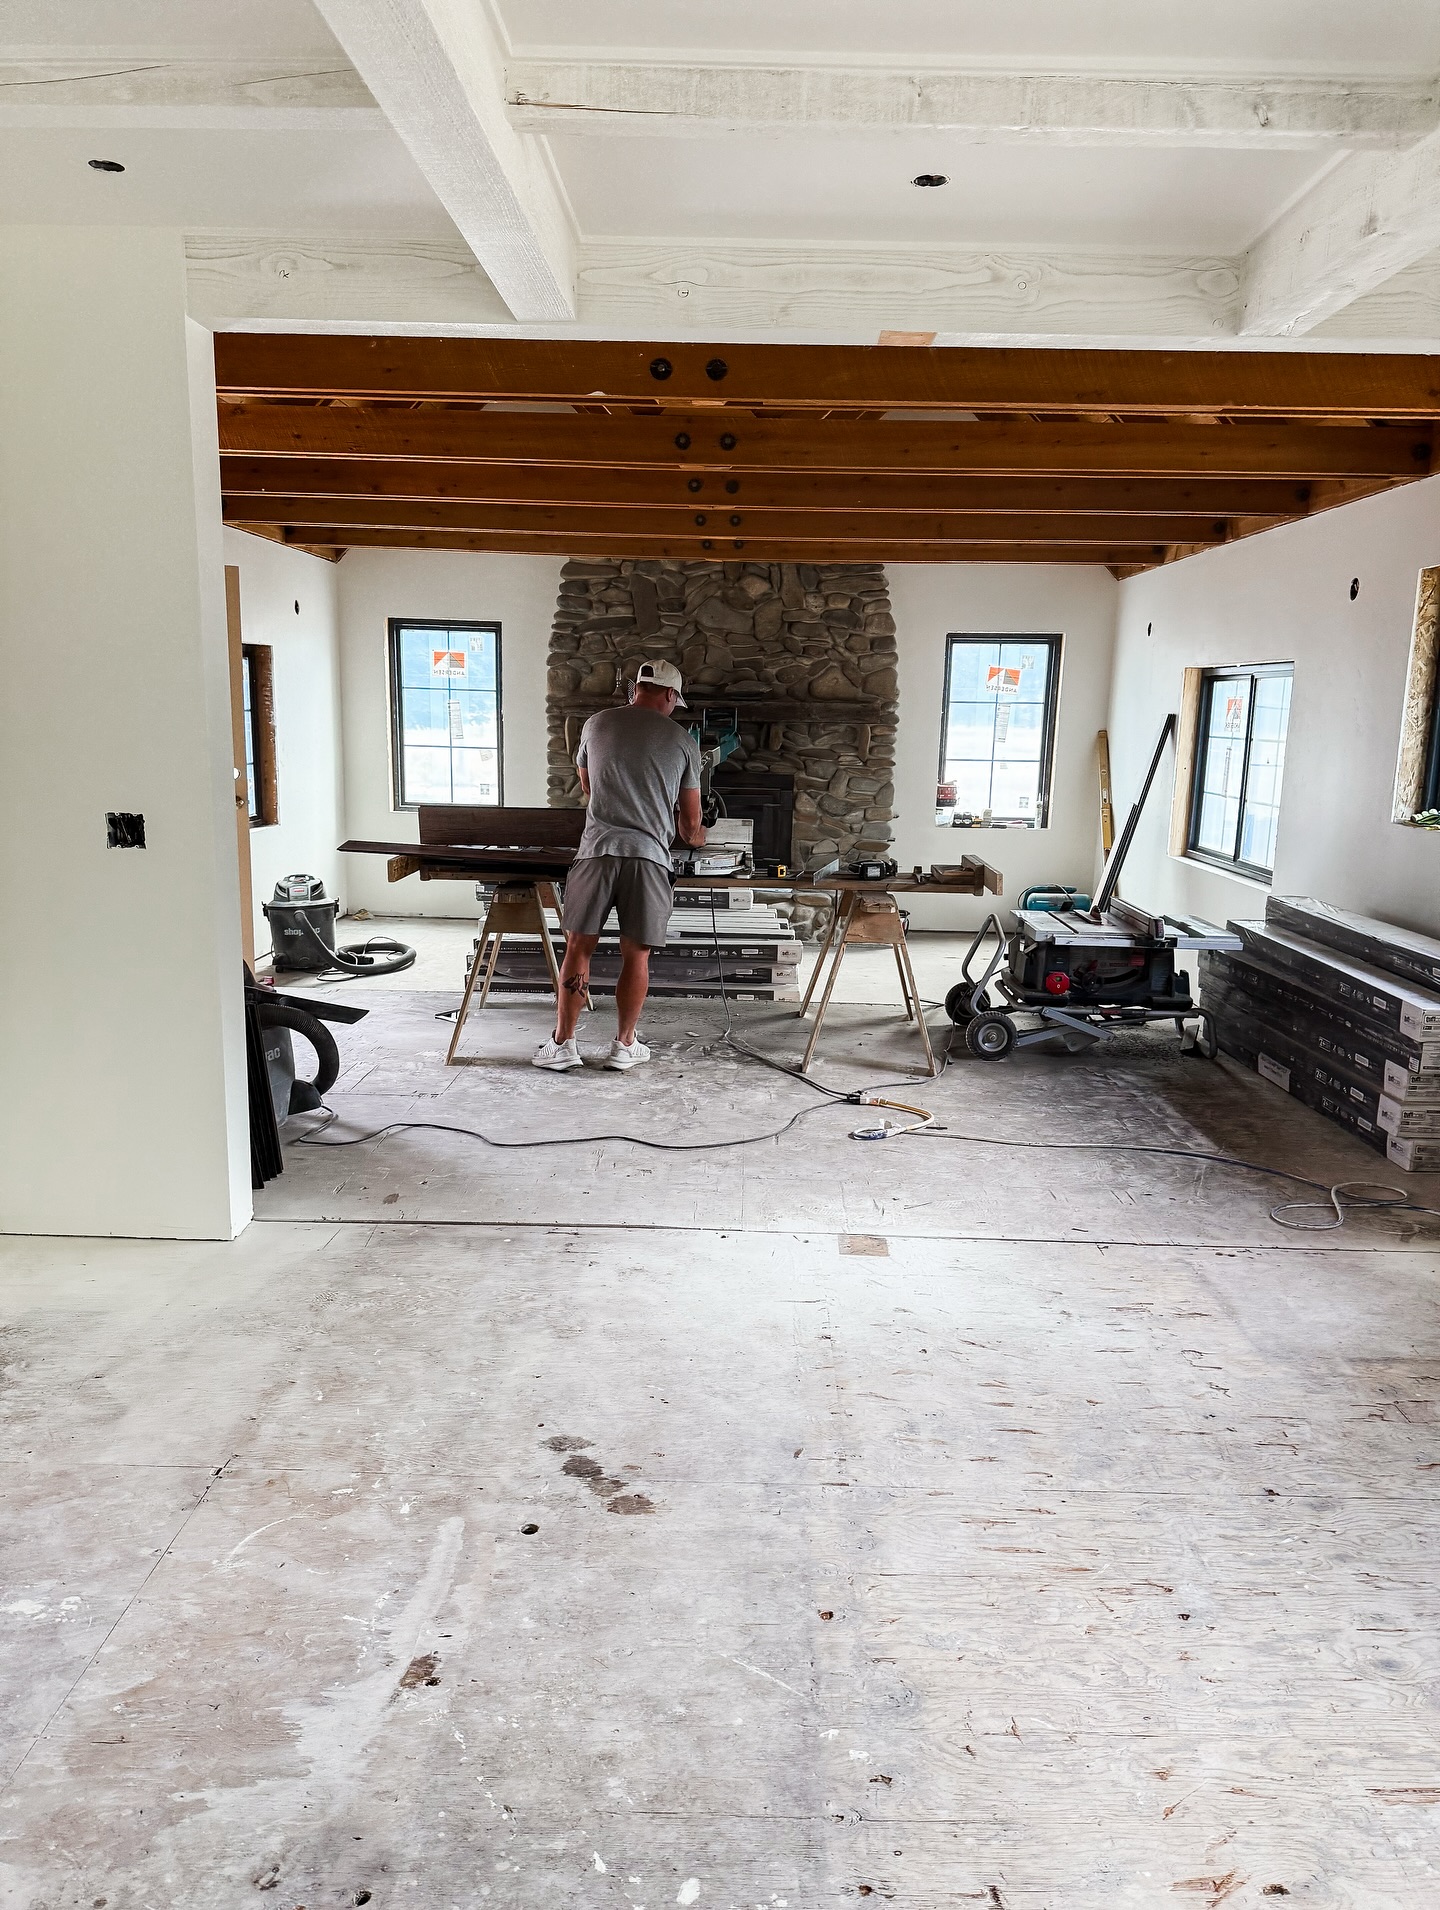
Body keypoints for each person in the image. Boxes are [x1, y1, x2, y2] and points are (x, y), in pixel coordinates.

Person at [533, 659, 705, 1073]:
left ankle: (563, 1045)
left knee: (578, 947)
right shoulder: (683, 741)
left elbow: (589, 786)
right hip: (647, 858)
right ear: (669, 695)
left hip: (595, 852)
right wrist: (697, 838)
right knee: (636, 955)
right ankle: (624, 1046)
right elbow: (690, 825)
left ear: (636, 690)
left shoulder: (595, 724)